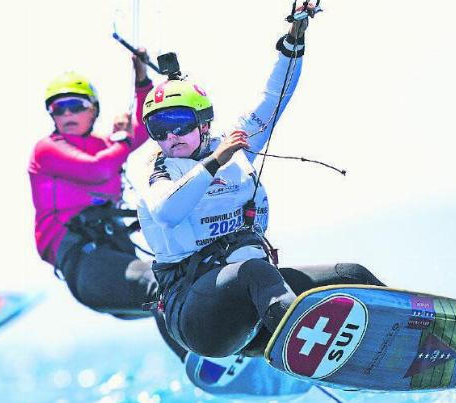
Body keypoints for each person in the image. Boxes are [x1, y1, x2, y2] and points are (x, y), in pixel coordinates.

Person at [137, 7, 384, 360]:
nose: (171, 136)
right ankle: (301, 350)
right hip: (198, 318)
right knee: (257, 272)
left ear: (205, 123)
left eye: (180, 123)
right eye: (158, 129)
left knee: (352, 276)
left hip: (254, 311)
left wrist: (293, 42)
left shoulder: (236, 144)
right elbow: (166, 212)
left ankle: (420, 339)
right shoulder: (159, 168)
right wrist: (215, 160)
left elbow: (274, 99)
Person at [28, 51, 187, 359]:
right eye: (58, 108)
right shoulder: (46, 150)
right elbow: (97, 169)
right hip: (86, 265)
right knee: (162, 284)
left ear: (94, 110)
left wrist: (141, 79)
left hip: (117, 253)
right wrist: (122, 140)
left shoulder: (106, 145)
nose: (67, 113)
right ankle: (200, 360)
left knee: (183, 275)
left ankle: (241, 341)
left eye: (76, 105)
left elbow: (146, 124)